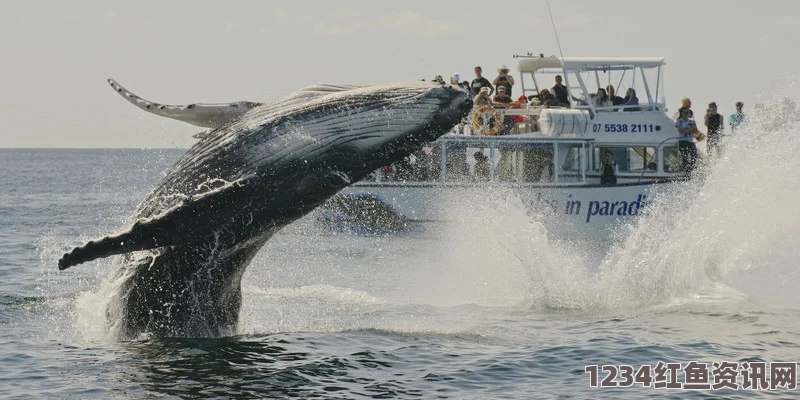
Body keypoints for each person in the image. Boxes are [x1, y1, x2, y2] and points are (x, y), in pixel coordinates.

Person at [675, 108, 703, 172]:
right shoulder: (679, 121)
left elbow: (694, 130)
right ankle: (685, 169)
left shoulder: (692, 121)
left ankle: (692, 168)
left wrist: (686, 130)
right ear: (682, 113)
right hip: (682, 141)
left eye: (687, 112)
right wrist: (689, 130)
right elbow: (681, 130)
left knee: (694, 155)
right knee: (685, 155)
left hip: (690, 141)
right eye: (684, 112)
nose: (686, 114)